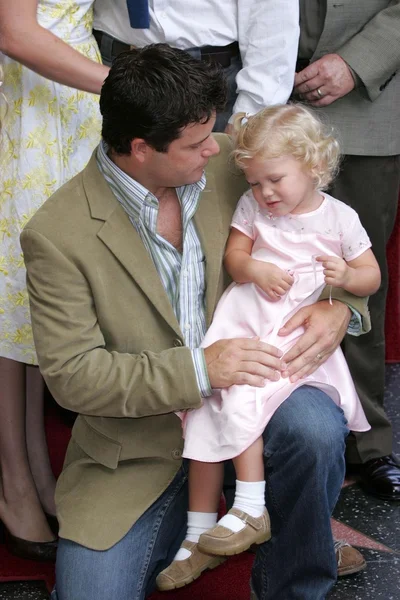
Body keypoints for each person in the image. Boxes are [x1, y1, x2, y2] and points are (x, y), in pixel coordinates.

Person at [20, 45, 371, 600]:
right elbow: (73, 377)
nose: (217, 146)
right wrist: (200, 369)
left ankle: (295, 570)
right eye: (196, 142)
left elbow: (327, 237)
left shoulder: (242, 166)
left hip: (259, 400)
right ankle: (245, 523)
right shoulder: (56, 234)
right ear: (140, 148)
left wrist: (340, 308)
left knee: (314, 428)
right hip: (136, 451)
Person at [156, 103, 379, 591]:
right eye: (255, 182)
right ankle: (203, 531)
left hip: (294, 334)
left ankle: (252, 508)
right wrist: (255, 268)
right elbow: (237, 256)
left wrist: (344, 282)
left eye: (274, 179)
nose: (264, 192)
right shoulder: (254, 207)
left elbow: (371, 275)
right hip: (249, 317)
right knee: (213, 403)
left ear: (315, 166)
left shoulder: (339, 217)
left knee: (268, 409)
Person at [0, 0, 108, 560]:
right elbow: (15, 32)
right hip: (25, 102)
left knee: (41, 294)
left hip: (64, 100)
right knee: (11, 294)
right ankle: (13, 483)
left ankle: (39, 470)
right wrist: (119, 84)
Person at [293, 0, 400, 501]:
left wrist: (358, 61)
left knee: (357, 277)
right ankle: (258, 435)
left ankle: (367, 442)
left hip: (366, 107)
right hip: (252, 91)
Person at [92, 0, 299, 131]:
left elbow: (272, 19)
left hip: (212, 75)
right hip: (116, 64)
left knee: (216, 189)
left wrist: (248, 116)